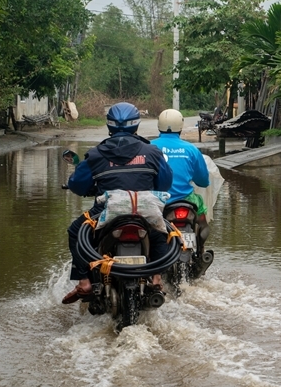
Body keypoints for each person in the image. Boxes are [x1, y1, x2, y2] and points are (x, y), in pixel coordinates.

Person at [62, 102, 173, 305]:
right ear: (136, 125)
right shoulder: (153, 152)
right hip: (144, 212)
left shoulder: (95, 154)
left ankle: (85, 281)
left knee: (76, 231)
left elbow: (78, 185)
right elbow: (165, 184)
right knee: (161, 232)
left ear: (109, 126)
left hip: (106, 211)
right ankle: (156, 277)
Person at [151, 109, 211, 246]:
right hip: (187, 201)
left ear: (159, 126)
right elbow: (203, 181)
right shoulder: (191, 150)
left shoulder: (148, 147)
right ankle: (200, 253)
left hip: (157, 202)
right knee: (204, 225)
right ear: (180, 127)